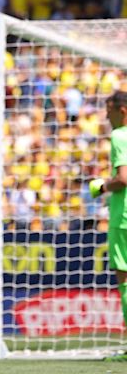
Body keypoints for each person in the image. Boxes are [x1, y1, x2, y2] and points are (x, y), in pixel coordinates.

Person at [89, 90, 127, 362]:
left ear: (122, 111)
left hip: (124, 219)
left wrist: (101, 186)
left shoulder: (119, 136)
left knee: (125, 282)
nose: (106, 115)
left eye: (109, 109)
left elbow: (124, 178)